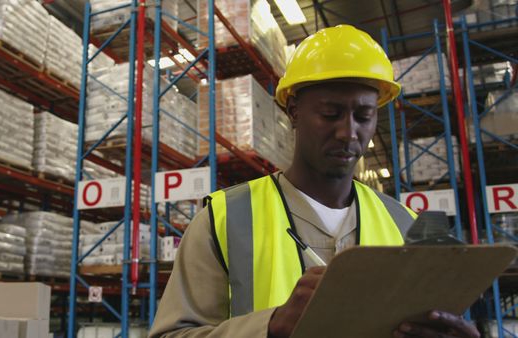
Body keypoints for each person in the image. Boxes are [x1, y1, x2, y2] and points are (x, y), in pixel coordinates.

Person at [149, 25, 480, 338]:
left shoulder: (406, 226)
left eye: (363, 117)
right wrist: (271, 325)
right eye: (330, 114)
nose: (349, 132)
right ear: (293, 111)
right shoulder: (223, 220)